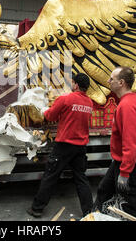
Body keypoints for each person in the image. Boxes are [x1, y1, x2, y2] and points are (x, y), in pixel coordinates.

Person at [27, 73, 94, 218]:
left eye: (72, 83)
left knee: (51, 176)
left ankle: (37, 208)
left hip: (64, 145)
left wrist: (44, 109)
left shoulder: (66, 99)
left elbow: (50, 116)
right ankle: (89, 212)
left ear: (75, 85)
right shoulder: (89, 103)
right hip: (81, 146)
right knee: (81, 178)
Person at [93, 66, 136, 220]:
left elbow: (131, 143)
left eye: (111, 79)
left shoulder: (127, 106)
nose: (108, 81)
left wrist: (125, 172)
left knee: (129, 202)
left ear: (121, 83)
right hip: (125, 161)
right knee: (104, 190)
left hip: (133, 164)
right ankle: (96, 216)